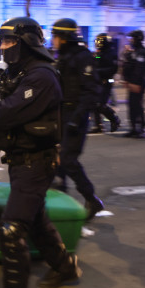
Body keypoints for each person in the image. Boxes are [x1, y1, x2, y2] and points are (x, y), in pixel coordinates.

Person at [0, 17, 81, 288]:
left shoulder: (41, 77)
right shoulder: (18, 71)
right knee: (35, 218)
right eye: (3, 42)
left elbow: (5, 111)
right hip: (23, 159)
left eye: (10, 42)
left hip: (37, 162)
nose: (5, 47)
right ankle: (64, 267)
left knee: (11, 230)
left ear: (26, 43)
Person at [51, 19, 105, 220]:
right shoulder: (63, 57)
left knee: (67, 159)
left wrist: (76, 118)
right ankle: (59, 201)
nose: (53, 40)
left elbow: (91, 91)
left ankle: (91, 199)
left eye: (55, 36)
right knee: (55, 160)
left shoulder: (83, 58)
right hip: (62, 115)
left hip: (75, 117)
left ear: (64, 38)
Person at [90, 33, 121, 133]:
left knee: (101, 104)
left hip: (106, 81)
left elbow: (113, 69)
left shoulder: (111, 53)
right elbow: (96, 62)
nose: (97, 43)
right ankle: (98, 125)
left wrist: (98, 71)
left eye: (99, 41)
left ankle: (114, 119)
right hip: (97, 81)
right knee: (94, 103)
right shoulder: (99, 53)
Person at [121, 30, 145, 138]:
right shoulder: (134, 51)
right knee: (131, 106)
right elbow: (128, 66)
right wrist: (127, 80)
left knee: (137, 105)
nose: (131, 40)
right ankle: (133, 128)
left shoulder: (142, 52)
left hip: (138, 83)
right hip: (132, 82)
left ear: (138, 38)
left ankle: (141, 128)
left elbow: (139, 69)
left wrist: (135, 83)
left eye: (132, 38)